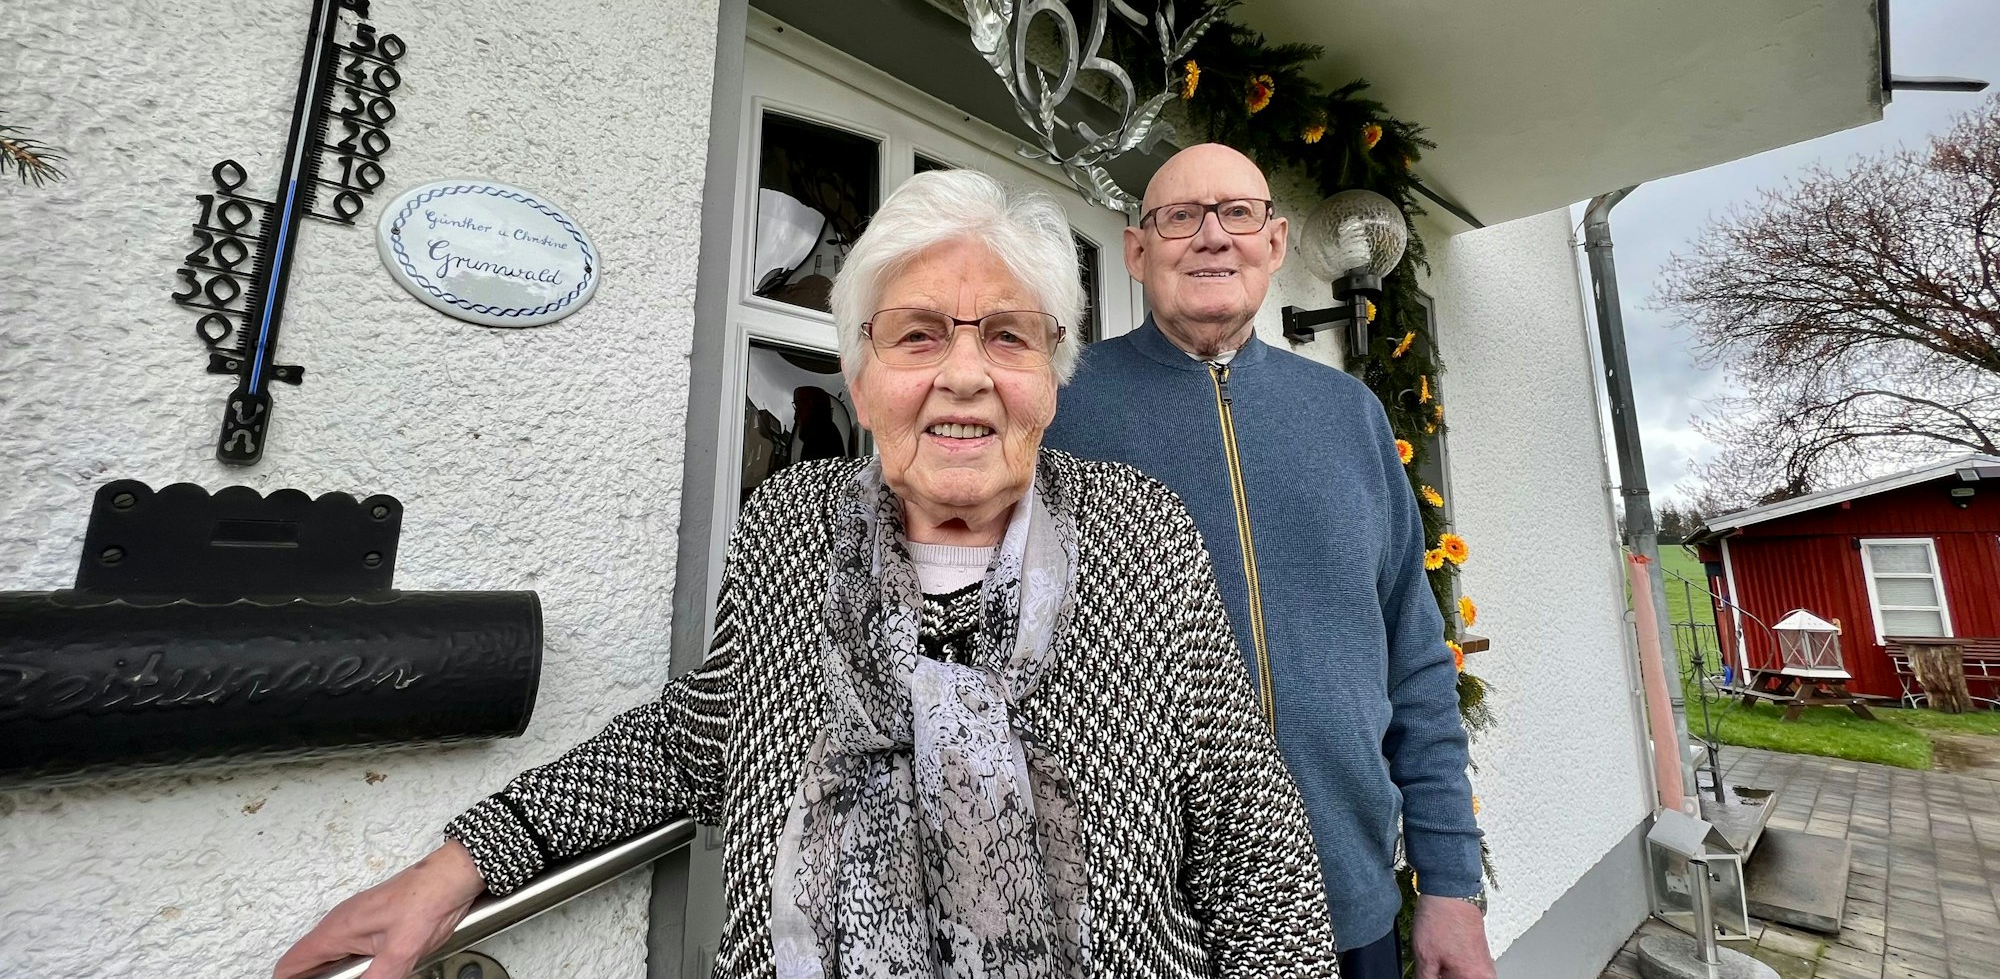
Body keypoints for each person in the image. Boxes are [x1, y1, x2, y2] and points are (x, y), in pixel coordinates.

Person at [274, 169, 1341, 979]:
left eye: (1007, 338)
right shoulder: (789, 526)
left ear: (1050, 377)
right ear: (860, 372)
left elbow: (1253, 840)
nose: (963, 375)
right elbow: (695, 736)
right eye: (917, 334)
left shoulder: (1142, 537)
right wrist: (468, 859)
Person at [1046, 144, 1493, 979]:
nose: (1212, 237)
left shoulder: (1350, 417)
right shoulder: (1060, 411)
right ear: (1137, 251)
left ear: (1276, 243)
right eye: (1180, 216)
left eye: (1238, 213)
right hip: (1143, 923)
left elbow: (1416, 660)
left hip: (1345, 900)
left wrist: (1451, 883)